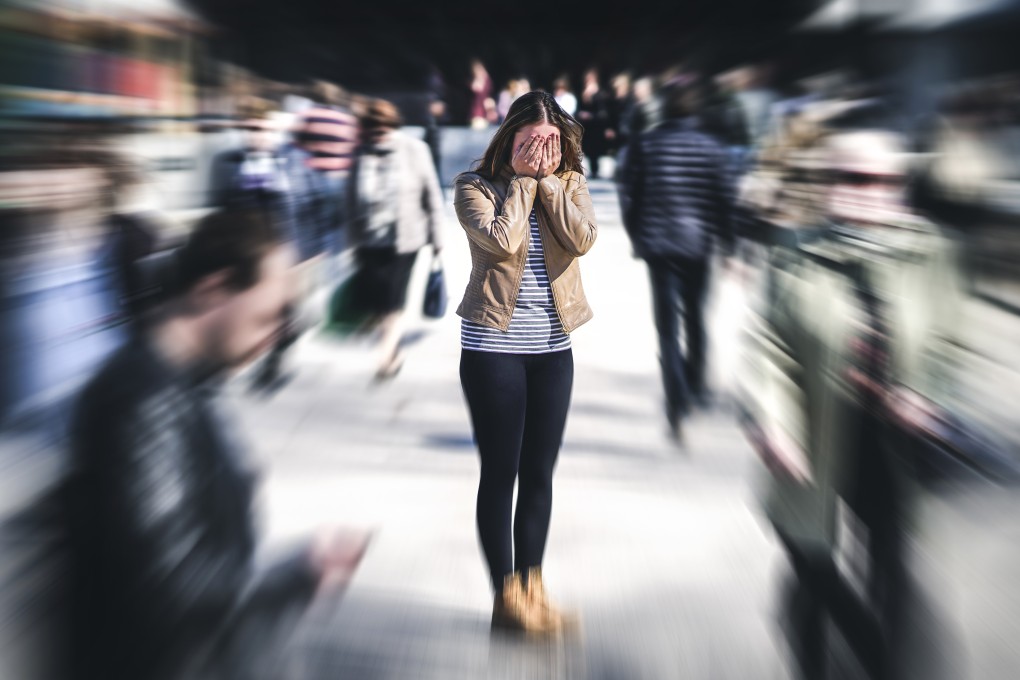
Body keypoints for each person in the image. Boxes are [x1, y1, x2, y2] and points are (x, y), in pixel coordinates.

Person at [63, 209, 369, 680]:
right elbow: (171, 585)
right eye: (268, 315)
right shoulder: (142, 402)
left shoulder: (181, 384)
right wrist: (300, 570)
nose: (277, 334)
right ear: (212, 291)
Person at [741, 125, 966, 680]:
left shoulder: (929, 252)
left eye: (886, 180)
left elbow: (947, 338)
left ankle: (889, 663)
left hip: (890, 439)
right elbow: (769, 346)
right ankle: (832, 656)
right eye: (852, 177)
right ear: (826, 182)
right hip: (813, 429)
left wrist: (928, 394)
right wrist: (775, 422)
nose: (870, 191)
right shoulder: (794, 251)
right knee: (810, 557)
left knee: (890, 565)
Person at [453, 91, 597, 634]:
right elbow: (503, 243)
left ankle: (534, 588)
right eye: (532, 142)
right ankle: (505, 597)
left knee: (540, 473)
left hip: (554, 351)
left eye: (552, 142)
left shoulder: (572, 184)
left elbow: (581, 239)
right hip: (494, 351)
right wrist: (521, 182)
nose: (544, 151)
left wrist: (551, 184)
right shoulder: (475, 187)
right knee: (501, 474)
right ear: (509, 139)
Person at [620, 81, 734, 444]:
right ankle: (695, 386)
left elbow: (630, 195)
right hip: (698, 246)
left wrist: (637, 236)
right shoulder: (711, 147)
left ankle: (676, 399)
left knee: (667, 329)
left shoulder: (646, 144)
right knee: (697, 317)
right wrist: (729, 243)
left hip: (659, 247)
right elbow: (724, 199)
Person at [346, 99, 445, 379]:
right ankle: (392, 347)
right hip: (369, 240)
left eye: (383, 130)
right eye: (373, 131)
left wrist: (438, 237)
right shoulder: (360, 154)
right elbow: (350, 200)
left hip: (405, 240)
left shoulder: (415, 150)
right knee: (378, 302)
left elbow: (432, 195)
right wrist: (351, 241)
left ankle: (386, 358)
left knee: (393, 300)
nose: (379, 136)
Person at [576, 68, 610, 178]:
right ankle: (593, 169)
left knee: (595, 149)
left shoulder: (600, 94)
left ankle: (595, 170)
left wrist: (590, 115)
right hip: (587, 127)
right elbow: (580, 109)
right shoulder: (584, 93)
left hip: (596, 127)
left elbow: (603, 113)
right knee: (589, 148)